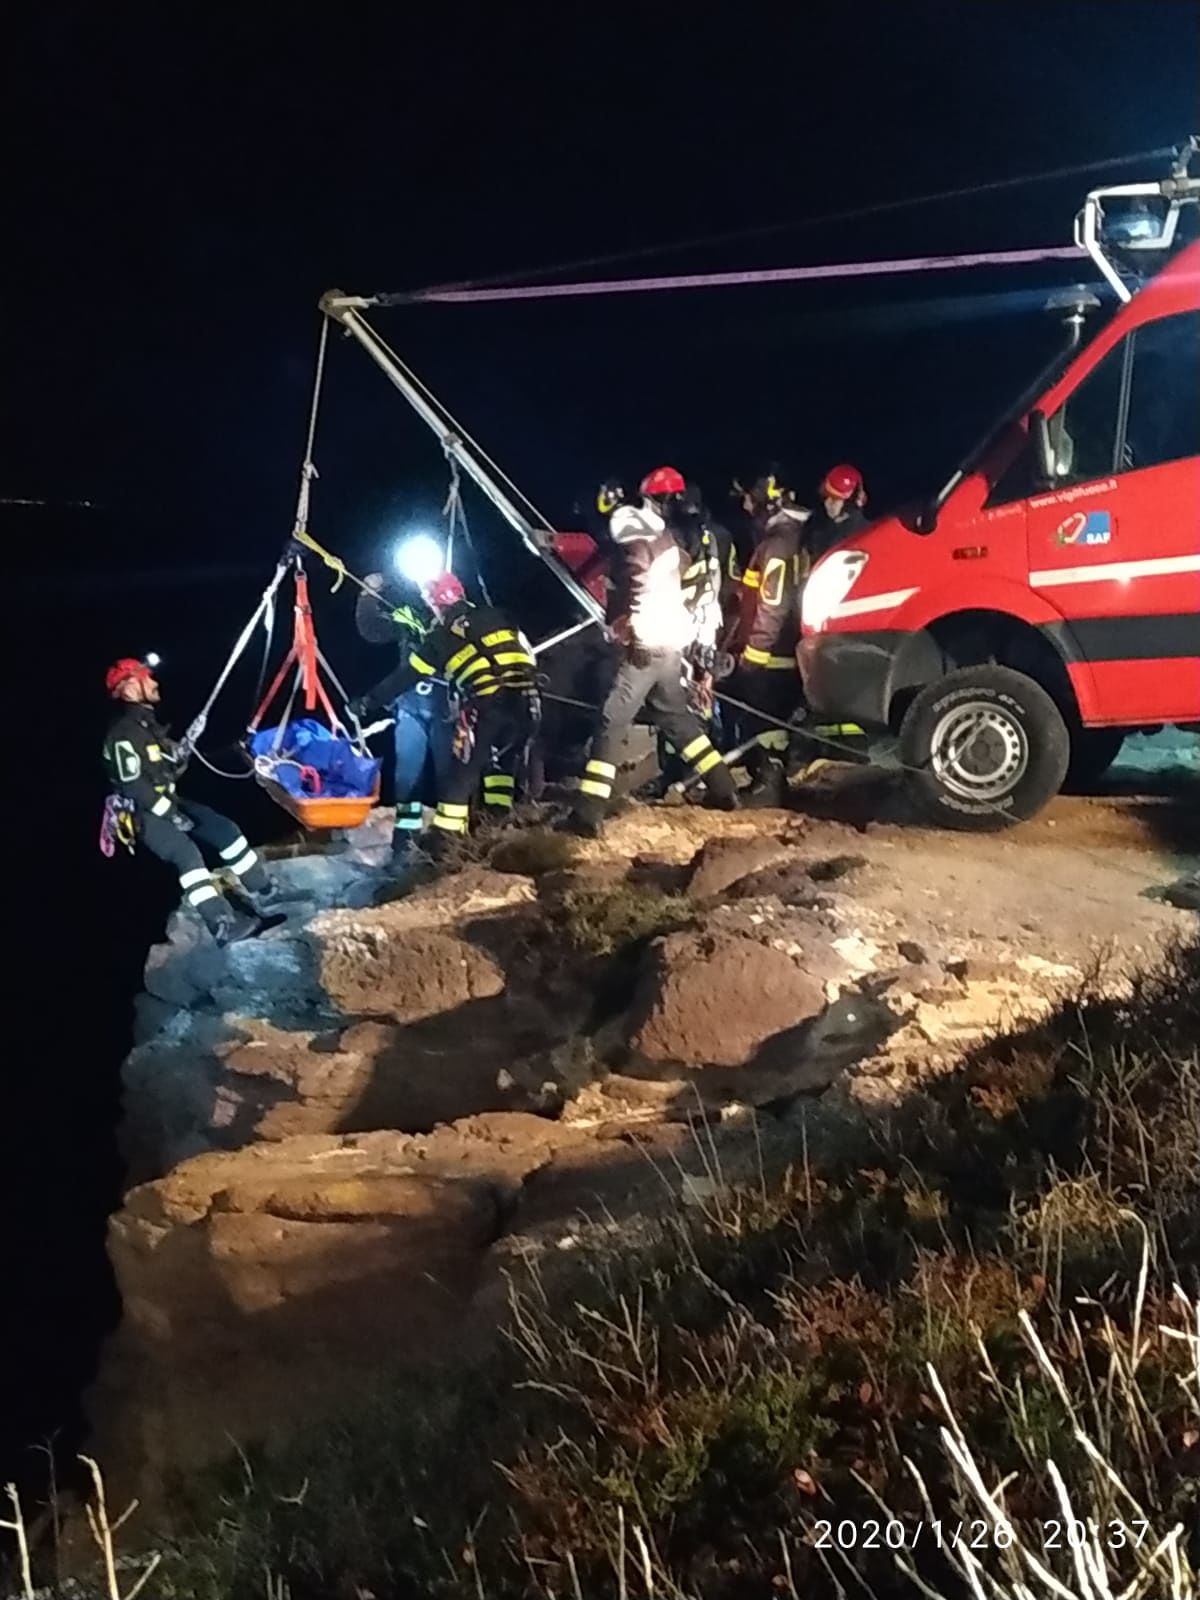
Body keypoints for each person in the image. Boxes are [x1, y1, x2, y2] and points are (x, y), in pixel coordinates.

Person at [567, 466, 738, 834]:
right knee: (678, 721)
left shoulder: (637, 541)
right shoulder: (667, 540)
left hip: (649, 646)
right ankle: (725, 789)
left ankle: (587, 814)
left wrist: (639, 636)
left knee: (612, 720)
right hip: (670, 646)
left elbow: (641, 590)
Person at [353, 573, 539, 852]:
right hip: (527, 703)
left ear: (436, 602)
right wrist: (368, 597)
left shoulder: (441, 635)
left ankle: (447, 846)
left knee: (458, 775)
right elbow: (373, 629)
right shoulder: (494, 616)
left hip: (471, 708)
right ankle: (489, 830)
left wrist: (368, 702)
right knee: (496, 768)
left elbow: (407, 675)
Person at [102, 657, 277, 942]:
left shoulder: (148, 728)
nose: (155, 682)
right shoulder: (124, 734)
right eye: (147, 677)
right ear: (131, 687)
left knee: (224, 829)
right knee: (186, 854)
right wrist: (171, 814)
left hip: (168, 801)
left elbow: (164, 770)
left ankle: (266, 892)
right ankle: (221, 925)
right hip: (143, 814)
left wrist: (181, 755)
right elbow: (133, 785)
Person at [355, 574, 456, 863]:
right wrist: (367, 594)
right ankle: (404, 847)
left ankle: (456, 845)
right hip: (411, 707)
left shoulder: (461, 620)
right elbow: (373, 629)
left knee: (451, 779)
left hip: (446, 712)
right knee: (406, 780)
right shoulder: (410, 614)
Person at [726, 473, 811, 800]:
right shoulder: (796, 538)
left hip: (772, 649)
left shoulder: (775, 546)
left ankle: (768, 786)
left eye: (752, 503)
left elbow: (772, 604)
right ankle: (773, 781)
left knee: (766, 719)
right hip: (786, 644)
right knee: (775, 719)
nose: (748, 510)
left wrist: (754, 652)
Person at [806, 463, 870, 560]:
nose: (828, 503)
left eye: (835, 499)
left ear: (850, 504)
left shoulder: (860, 539)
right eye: (826, 495)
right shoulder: (817, 525)